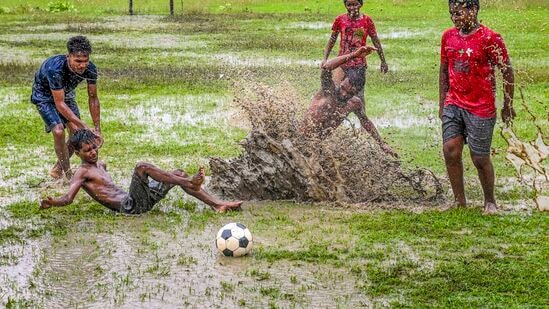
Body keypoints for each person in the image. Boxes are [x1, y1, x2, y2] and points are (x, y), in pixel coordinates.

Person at [40, 129, 243, 214]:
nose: (93, 152)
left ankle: (217, 205)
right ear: (77, 152)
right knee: (141, 167)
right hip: (130, 208)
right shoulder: (81, 172)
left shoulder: (99, 166)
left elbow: (105, 186)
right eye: (87, 150)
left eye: (94, 147)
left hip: (140, 200)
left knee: (178, 173)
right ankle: (190, 183)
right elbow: (68, 198)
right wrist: (53, 202)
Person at [439, 0, 515, 214]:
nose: (455, 18)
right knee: (450, 150)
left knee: (479, 157)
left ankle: (490, 201)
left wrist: (508, 105)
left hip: (481, 107)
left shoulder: (490, 38)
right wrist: (442, 103)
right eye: (452, 14)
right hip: (453, 103)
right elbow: (444, 71)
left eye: (459, 13)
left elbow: (507, 71)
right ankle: (459, 200)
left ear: (473, 10)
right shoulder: (448, 36)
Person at [301, 46, 395, 156]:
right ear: (342, 81)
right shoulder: (328, 90)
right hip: (299, 139)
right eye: (343, 88)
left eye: (350, 93)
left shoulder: (354, 103)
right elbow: (326, 67)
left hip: (315, 146)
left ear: (356, 93)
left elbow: (366, 122)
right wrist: (354, 55)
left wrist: (381, 143)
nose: (344, 94)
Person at [31, 35, 102, 180]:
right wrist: (84, 126)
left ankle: (57, 169)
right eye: (78, 61)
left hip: (65, 94)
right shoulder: (55, 69)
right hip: (44, 96)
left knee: (76, 132)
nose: (82, 65)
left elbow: (93, 97)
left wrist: (96, 128)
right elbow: (59, 104)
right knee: (58, 131)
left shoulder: (91, 69)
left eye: (85, 61)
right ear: (68, 56)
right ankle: (68, 174)